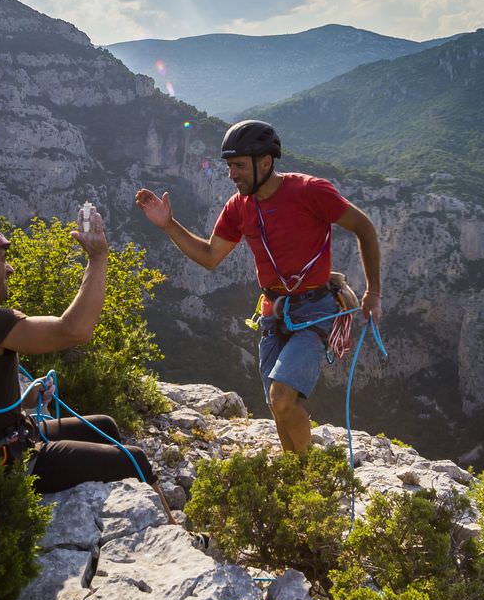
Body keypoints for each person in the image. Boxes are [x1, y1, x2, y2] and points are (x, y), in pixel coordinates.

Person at [135, 120, 382, 454]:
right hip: (274, 313)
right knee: (275, 402)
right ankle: (297, 473)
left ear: (265, 162)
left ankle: (308, 470)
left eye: (238, 166)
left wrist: (373, 292)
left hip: (315, 309)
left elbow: (364, 227)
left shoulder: (311, 191)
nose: (231, 174)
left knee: (282, 397)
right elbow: (209, 256)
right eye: (228, 166)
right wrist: (168, 225)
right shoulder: (239, 208)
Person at [0, 214, 157, 493]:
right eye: (1, 260)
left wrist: (27, 398)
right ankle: (174, 531)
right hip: (7, 462)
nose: (9, 269)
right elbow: (75, 330)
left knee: (104, 426)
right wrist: (98, 258)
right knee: (136, 459)